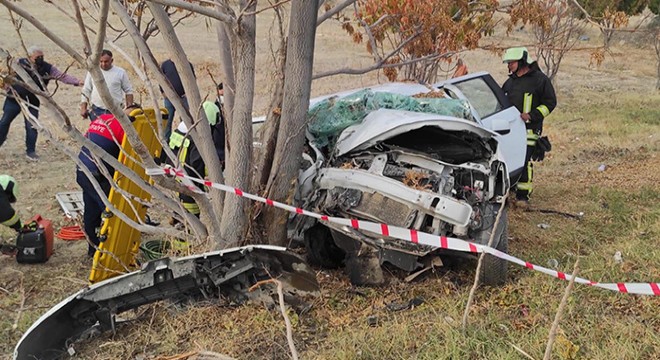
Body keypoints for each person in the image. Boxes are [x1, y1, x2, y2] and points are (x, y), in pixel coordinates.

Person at [0, 46, 84, 161]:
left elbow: (61, 76)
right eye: (37, 57)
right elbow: (5, 74)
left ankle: (31, 152)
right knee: (4, 122)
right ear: (29, 57)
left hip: (33, 101)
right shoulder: (19, 64)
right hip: (14, 99)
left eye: (42, 56)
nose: (41, 59)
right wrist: (6, 87)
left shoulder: (46, 68)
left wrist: (77, 82)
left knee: (32, 126)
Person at [77, 104, 139, 257]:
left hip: (82, 170)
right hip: (98, 174)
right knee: (111, 213)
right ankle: (111, 253)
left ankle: (93, 250)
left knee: (91, 211)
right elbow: (128, 158)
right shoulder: (125, 128)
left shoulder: (102, 118)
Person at [501, 47, 557, 207]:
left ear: (522, 62)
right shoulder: (510, 82)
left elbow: (550, 103)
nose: (508, 66)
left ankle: (522, 197)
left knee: (523, 161)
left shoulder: (540, 80)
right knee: (508, 160)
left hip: (530, 130)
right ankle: (509, 189)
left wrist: (532, 115)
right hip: (509, 130)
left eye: (511, 63)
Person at [168, 101, 223, 219]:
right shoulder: (196, 140)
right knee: (190, 220)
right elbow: (196, 165)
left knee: (180, 217)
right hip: (189, 186)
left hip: (175, 181)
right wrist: (204, 185)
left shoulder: (180, 131)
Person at [80, 49, 134, 121]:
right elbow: (86, 90)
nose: (103, 64)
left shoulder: (120, 72)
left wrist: (129, 108)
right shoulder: (93, 72)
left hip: (116, 111)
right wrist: (83, 108)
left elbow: (128, 90)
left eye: (106, 61)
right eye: (101, 61)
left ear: (111, 60)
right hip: (97, 110)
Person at [161, 58, 195, 141]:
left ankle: (182, 141)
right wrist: (163, 92)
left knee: (185, 121)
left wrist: (188, 93)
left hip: (183, 98)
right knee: (167, 121)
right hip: (169, 98)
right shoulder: (165, 64)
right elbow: (161, 78)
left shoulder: (187, 64)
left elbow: (192, 79)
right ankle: (166, 142)